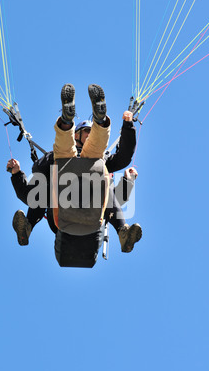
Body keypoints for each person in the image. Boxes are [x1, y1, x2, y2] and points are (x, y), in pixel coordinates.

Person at [8, 84, 142, 255]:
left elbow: (123, 160)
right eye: (88, 132)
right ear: (77, 135)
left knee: (97, 166)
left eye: (91, 132)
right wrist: (17, 174)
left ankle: (124, 232)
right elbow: (29, 192)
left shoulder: (102, 160)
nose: (89, 135)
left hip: (92, 213)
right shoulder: (54, 158)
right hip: (62, 213)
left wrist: (128, 126)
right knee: (63, 161)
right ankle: (27, 227)